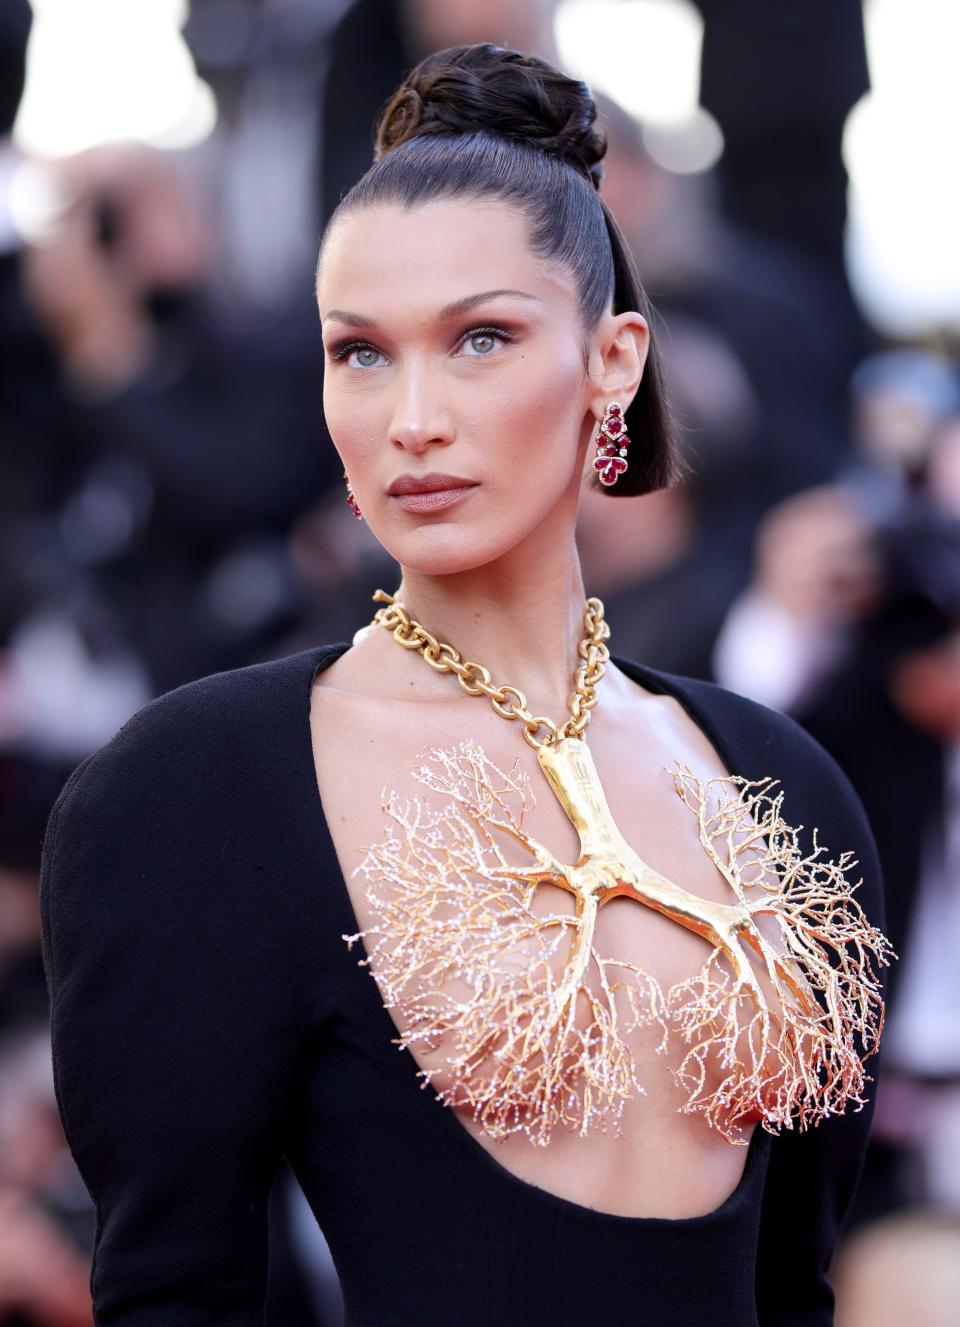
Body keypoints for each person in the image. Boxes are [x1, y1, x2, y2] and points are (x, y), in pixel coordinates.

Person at [39, 43, 892, 1326]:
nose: (412, 417)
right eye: (361, 352)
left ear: (613, 360)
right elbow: (173, 1293)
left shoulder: (783, 785)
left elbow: (797, 1286)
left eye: (481, 338)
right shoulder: (199, 788)